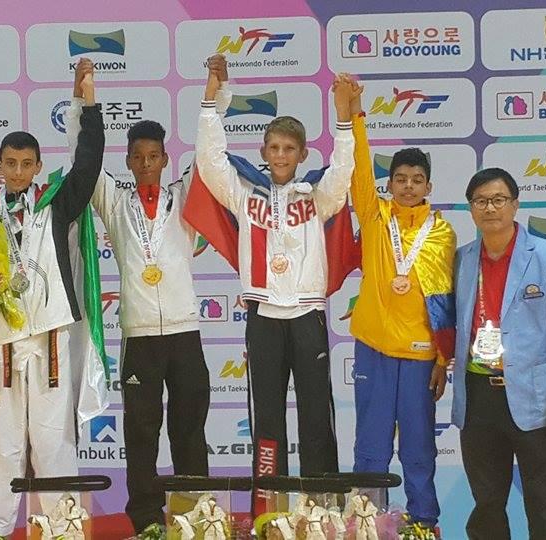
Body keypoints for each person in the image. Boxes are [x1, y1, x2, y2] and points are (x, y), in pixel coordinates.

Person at [187, 54, 357, 510]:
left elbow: (344, 172)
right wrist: (213, 98)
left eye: (289, 149)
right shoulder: (244, 194)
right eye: (274, 148)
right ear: (263, 152)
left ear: (303, 155)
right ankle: (270, 510)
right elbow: (210, 159)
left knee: (316, 416)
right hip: (263, 317)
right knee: (267, 420)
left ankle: (321, 510)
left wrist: (343, 119)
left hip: (307, 316)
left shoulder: (317, 195)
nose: (281, 156)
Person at [65, 59, 210, 537]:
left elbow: (208, 155)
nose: (146, 164)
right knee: (142, 433)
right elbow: (84, 161)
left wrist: (214, 95)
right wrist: (84, 102)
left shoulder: (184, 199)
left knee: (189, 428)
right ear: (128, 161)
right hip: (140, 336)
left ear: (165, 160)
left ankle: (193, 517)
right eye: (138, 157)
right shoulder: (115, 203)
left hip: (185, 332)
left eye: (153, 156)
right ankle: (147, 520)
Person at [0, 62, 107, 540]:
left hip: (48, 341)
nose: (18, 172)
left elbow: (87, 165)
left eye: (26, 164)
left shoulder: (56, 204)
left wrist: (87, 104)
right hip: (2, 345)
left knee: (53, 442)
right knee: (1, 446)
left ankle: (63, 531)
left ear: (37, 167)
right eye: (10, 163)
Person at [347, 86, 457, 534]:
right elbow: (358, 168)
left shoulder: (442, 232)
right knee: (370, 448)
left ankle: (424, 524)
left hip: (418, 356)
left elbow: (444, 300)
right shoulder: (375, 218)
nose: (408, 186)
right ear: (388, 184)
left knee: (418, 448)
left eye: (416, 179)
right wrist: (356, 115)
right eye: (400, 179)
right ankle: (365, 524)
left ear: (429, 186)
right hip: (374, 347)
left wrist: (442, 359)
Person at [452, 167, 546, 539]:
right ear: (471, 208)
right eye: (480, 201)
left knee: (543, 503)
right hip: (477, 394)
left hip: (533, 395)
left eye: (498, 199)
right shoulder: (462, 259)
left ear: (515, 204)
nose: (490, 208)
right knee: (486, 504)